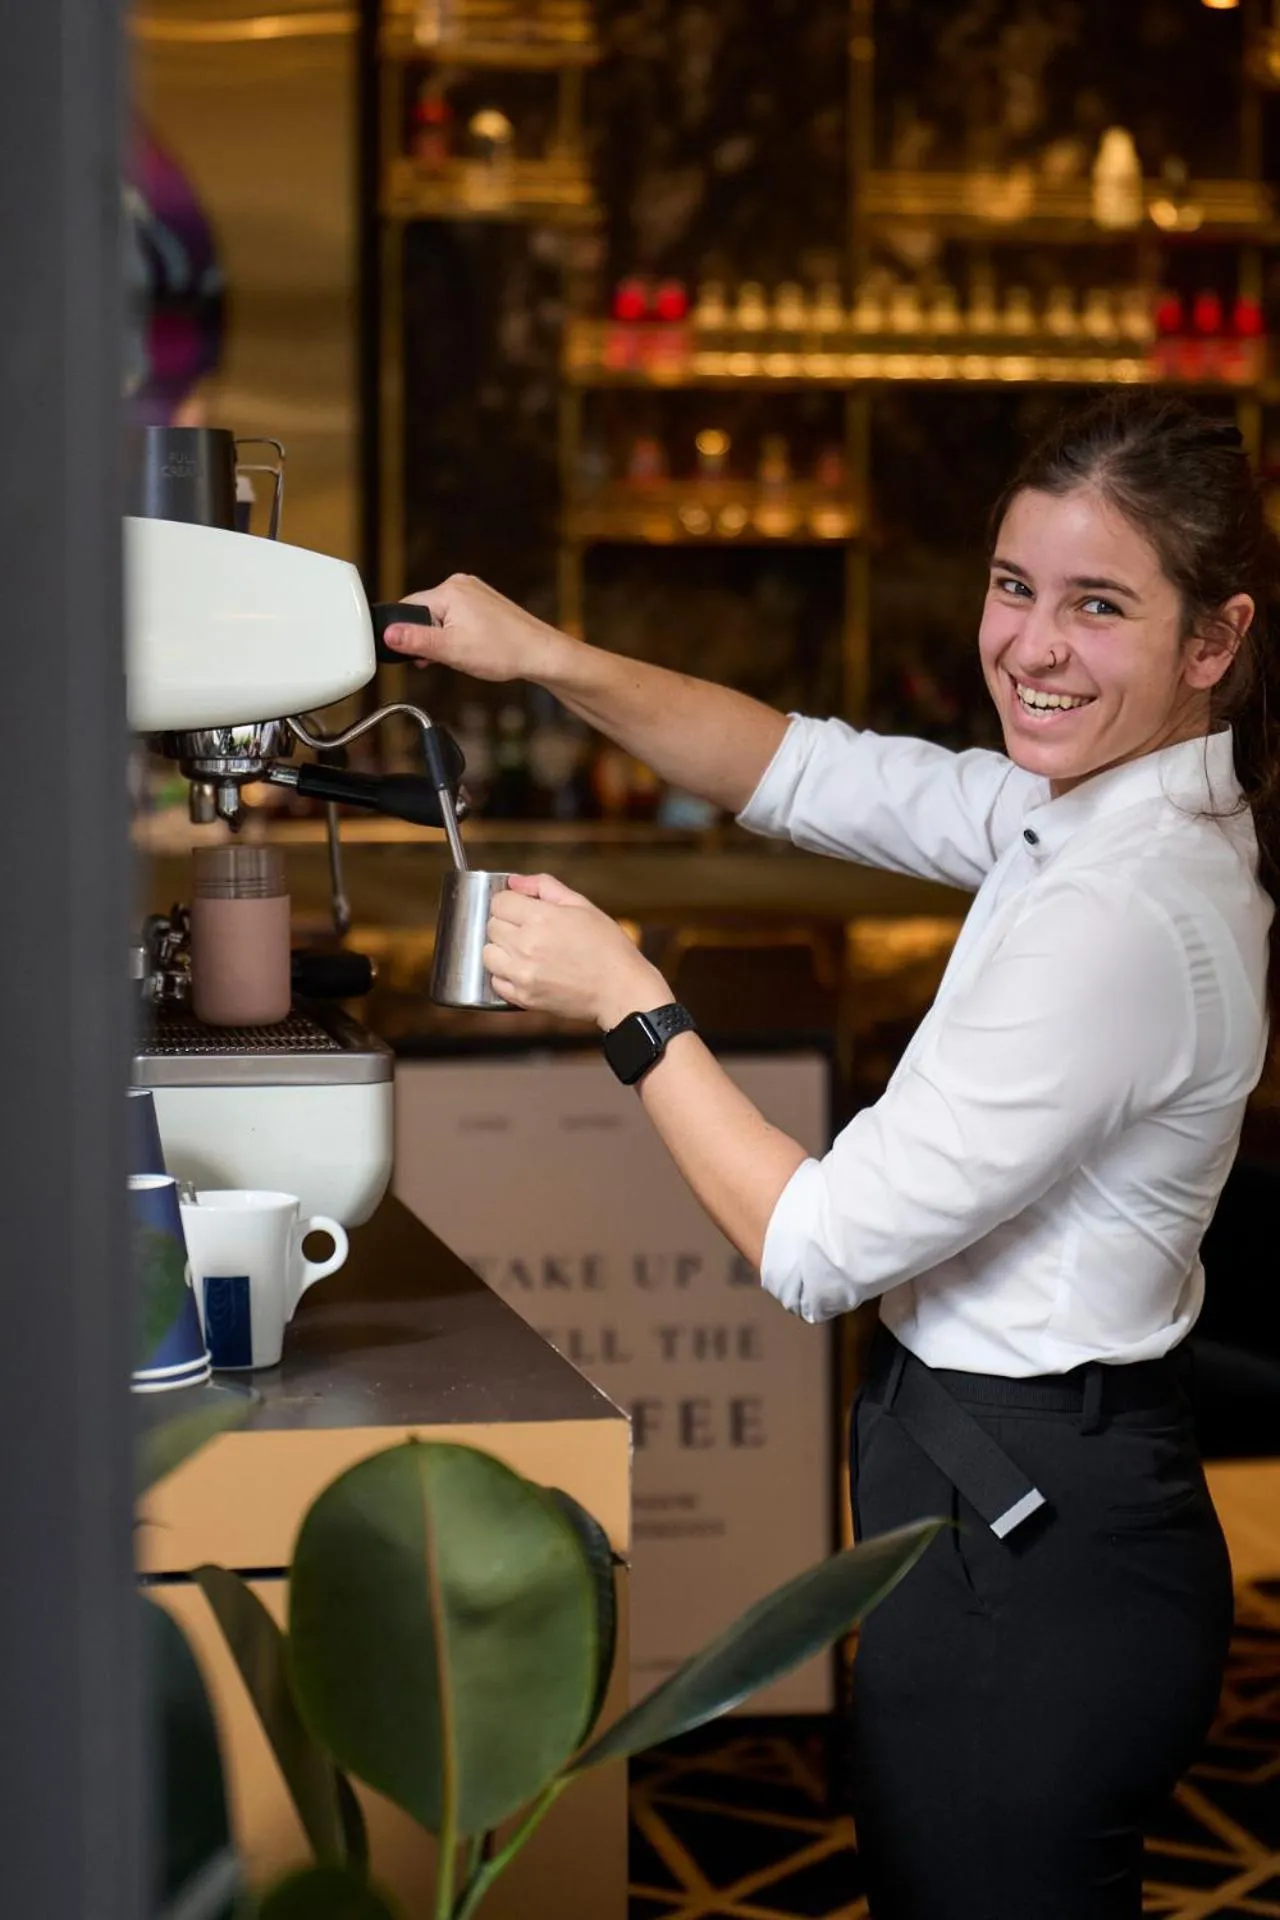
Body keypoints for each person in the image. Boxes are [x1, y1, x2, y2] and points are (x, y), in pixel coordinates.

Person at [382, 392, 1278, 1919]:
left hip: (1042, 1556)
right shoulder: (1089, 813)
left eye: (1099, 606)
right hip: (1019, 1504)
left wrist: (630, 1002)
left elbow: (818, 1247)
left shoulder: (1124, 910)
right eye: (1014, 587)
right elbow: (800, 769)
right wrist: (548, 656)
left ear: (1213, 641)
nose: (1033, 645)